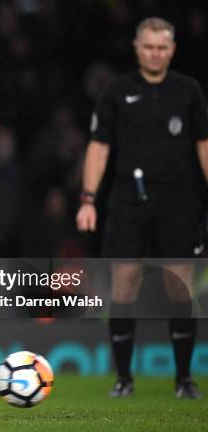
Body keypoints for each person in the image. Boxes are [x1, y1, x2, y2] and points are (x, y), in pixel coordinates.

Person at [76, 18, 208, 399]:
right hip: (128, 197)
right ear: (137, 47)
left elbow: (203, 145)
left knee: (179, 285)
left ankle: (184, 380)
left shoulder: (188, 91)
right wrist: (88, 198)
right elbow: (98, 147)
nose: (155, 53)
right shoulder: (117, 92)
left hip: (179, 198)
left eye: (162, 47)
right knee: (125, 282)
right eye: (148, 46)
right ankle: (124, 380)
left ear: (172, 49)